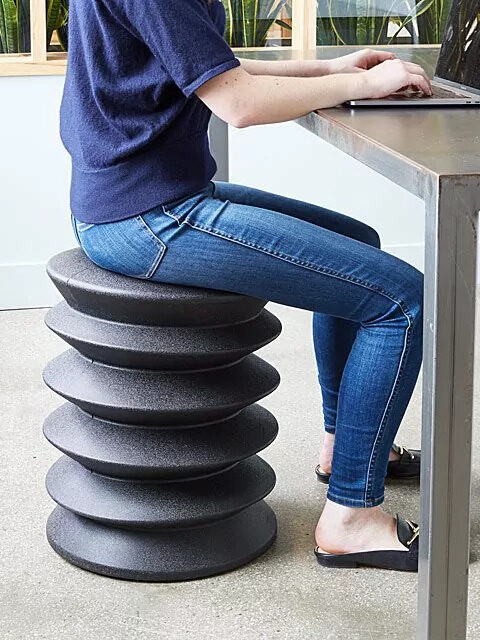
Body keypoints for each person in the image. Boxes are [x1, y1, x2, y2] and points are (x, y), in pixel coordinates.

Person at [63, 0, 429, 572]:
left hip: (149, 197)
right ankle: (350, 519)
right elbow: (239, 103)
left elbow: (221, 69)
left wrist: (342, 70)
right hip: (147, 218)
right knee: (402, 299)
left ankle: (344, 452)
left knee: (362, 246)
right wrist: (366, 82)